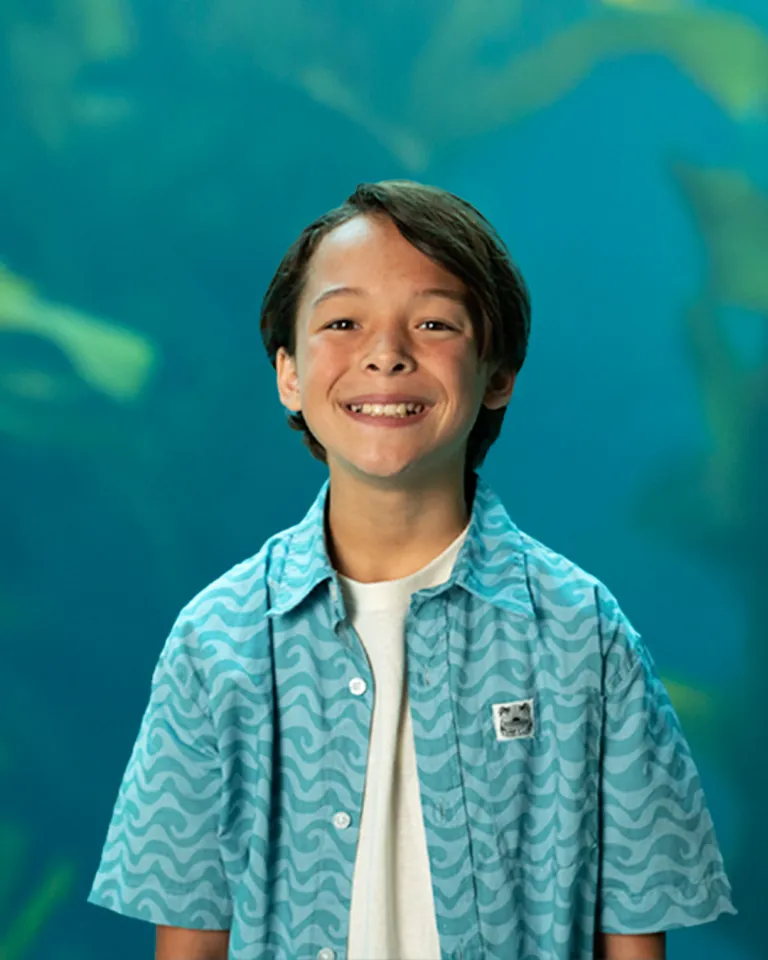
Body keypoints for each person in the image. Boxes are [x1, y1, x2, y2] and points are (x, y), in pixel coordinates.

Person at [88, 181, 736, 960]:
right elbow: (187, 934)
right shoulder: (217, 640)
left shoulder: (582, 635)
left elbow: (635, 927)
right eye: (342, 321)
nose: (385, 352)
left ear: (499, 373)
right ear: (288, 374)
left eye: (434, 322)